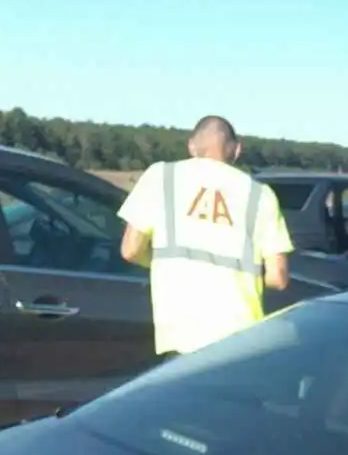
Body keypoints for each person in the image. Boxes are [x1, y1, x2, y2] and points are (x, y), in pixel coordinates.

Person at [117, 115, 294, 356]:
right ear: (237, 149)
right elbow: (278, 277)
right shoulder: (261, 195)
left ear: (192, 146)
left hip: (179, 335)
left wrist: (166, 264)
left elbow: (130, 249)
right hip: (241, 337)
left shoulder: (161, 176)